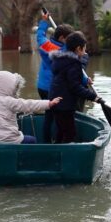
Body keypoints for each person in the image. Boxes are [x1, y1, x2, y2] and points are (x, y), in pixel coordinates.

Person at [0, 71, 61, 144]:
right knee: (32, 140)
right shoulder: (10, 101)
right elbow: (29, 105)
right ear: (8, 87)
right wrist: (49, 103)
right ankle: (26, 160)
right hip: (11, 140)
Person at [49, 32, 102, 143]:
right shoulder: (74, 63)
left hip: (55, 100)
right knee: (70, 133)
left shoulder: (61, 60)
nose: (85, 52)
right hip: (64, 104)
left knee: (61, 131)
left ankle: (57, 152)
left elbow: (66, 79)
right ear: (78, 48)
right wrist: (94, 97)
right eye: (84, 49)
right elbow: (75, 87)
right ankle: (65, 156)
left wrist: (84, 80)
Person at [35, 11, 73, 142]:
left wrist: (44, 22)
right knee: (58, 117)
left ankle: (46, 141)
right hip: (54, 89)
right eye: (69, 38)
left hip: (41, 87)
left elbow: (39, 35)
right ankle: (57, 143)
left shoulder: (45, 45)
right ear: (62, 38)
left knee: (48, 115)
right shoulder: (63, 52)